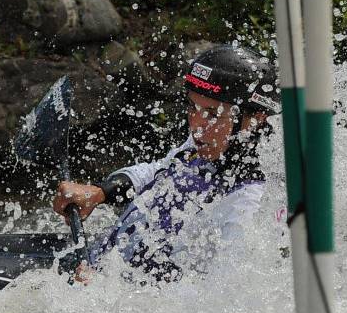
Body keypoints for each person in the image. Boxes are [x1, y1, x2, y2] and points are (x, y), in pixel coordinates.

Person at [53, 44, 281, 282]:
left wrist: (106, 292)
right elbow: (157, 171)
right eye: (193, 107)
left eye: (213, 114)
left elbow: (215, 302)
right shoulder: (209, 148)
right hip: (100, 265)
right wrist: (100, 192)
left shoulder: (249, 206)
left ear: (255, 120)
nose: (196, 125)